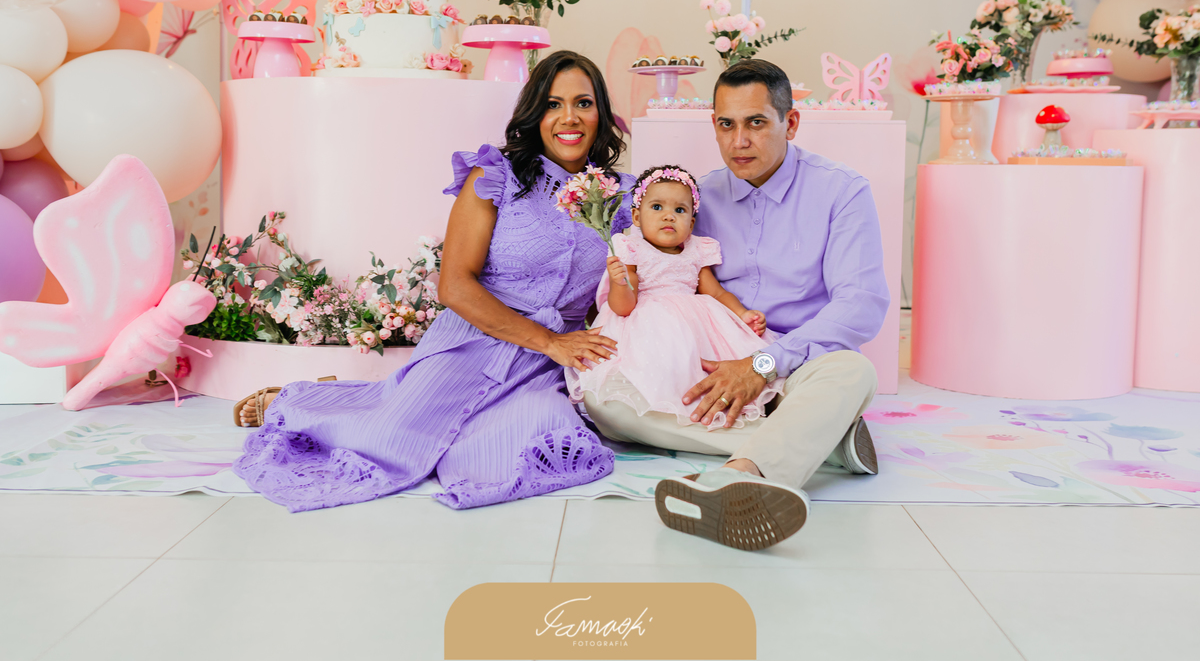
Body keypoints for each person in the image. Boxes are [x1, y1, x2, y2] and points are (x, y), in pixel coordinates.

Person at [231, 50, 635, 512]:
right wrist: (549, 341)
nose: (569, 118)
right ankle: (305, 404)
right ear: (534, 114)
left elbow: (622, 288)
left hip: (547, 365)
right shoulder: (495, 177)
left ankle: (389, 400)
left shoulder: (622, 197)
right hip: (474, 340)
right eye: (553, 104)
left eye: (583, 103)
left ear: (601, 112)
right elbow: (455, 286)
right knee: (390, 440)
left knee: (536, 438)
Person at [582, 59, 889, 551]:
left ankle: (741, 474)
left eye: (756, 123)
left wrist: (762, 365)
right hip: (711, 363)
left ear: (790, 122)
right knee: (608, 404)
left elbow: (861, 305)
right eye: (726, 124)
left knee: (854, 371)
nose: (739, 141)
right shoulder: (693, 199)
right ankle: (827, 443)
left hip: (796, 362)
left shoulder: (841, 190)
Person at [567, 164, 784, 432]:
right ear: (636, 217)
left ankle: (730, 413)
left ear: (691, 223)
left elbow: (716, 292)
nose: (669, 216)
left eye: (680, 210)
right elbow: (623, 307)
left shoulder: (697, 249)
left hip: (697, 323)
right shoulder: (631, 248)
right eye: (657, 207)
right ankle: (671, 415)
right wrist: (619, 281)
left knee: (709, 364)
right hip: (649, 322)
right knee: (664, 369)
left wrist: (742, 314)